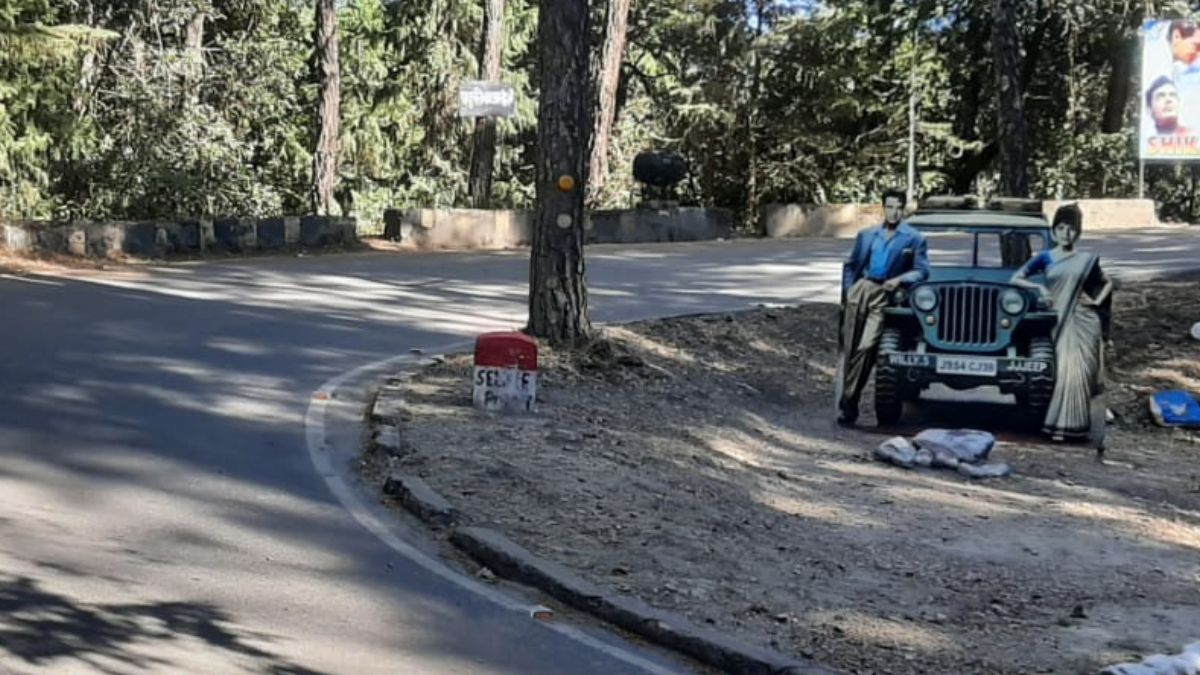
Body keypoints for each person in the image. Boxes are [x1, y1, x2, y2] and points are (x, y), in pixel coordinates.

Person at [1010, 204, 1114, 441]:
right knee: (1064, 370)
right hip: (1058, 319)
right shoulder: (1045, 257)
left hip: (1084, 320)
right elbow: (1016, 278)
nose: (1066, 233)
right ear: (1054, 230)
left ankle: (1075, 427)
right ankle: (1057, 425)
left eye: (1072, 229)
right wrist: (1038, 287)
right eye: (1061, 227)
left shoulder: (1087, 259)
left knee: (1081, 374)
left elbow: (1107, 282)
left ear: (1078, 233)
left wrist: (1096, 302)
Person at [836, 188, 930, 425]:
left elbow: (922, 271)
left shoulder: (914, 238)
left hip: (884, 294)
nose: (894, 212)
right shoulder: (867, 235)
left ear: (904, 209)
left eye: (898, 207)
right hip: (861, 289)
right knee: (849, 346)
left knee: (867, 347)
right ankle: (849, 407)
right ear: (883, 208)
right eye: (889, 207)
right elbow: (851, 265)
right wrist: (849, 293)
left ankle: (848, 396)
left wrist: (900, 280)